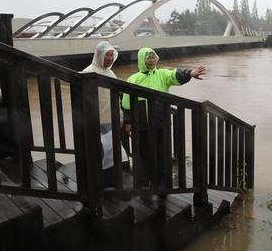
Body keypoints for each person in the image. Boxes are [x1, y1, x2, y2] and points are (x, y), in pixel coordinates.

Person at [121, 47, 206, 188]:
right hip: (141, 125)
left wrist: (190, 73)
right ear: (142, 60)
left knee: (162, 153)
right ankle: (144, 182)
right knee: (142, 154)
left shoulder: (162, 74)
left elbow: (175, 74)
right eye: (148, 58)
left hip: (161, 124)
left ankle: (162, 182)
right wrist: (128, 121)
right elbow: (126, 103)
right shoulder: (133, 79)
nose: (151, 60)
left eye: (153, 57)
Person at [82, 41, 127, 187]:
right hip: (96, 121)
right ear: (99, 55)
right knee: (98, 153)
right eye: (107, 55)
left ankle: (109, 183)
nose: (110, 58)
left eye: (112, 55)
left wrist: (120, 117)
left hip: (111, 120)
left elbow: (115, 98)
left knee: (112, 153)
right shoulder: (88, 73)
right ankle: (97, 184)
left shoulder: (110, 73)